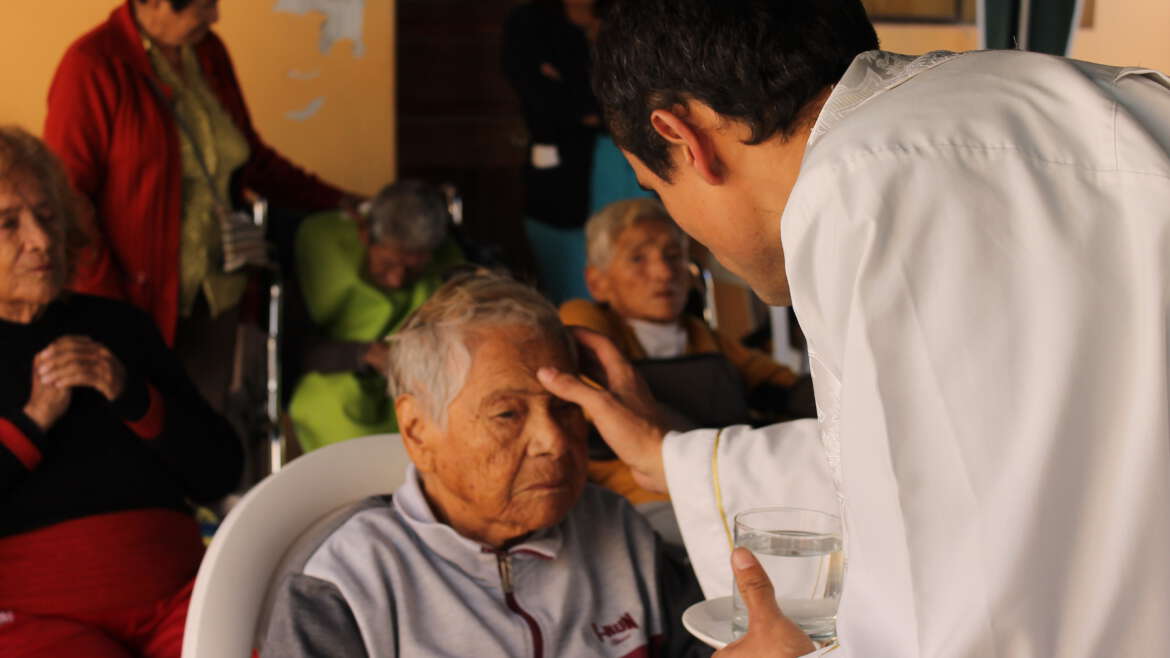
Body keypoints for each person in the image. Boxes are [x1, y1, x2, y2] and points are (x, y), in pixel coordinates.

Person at [535, 0, 1170, 656]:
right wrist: (669, 458)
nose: (685, 241)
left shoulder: (865, 186)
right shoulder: (1033, 99)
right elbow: (987, 443)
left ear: (683, 138)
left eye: (654, 189)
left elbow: (953, 601)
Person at [262, 273, 708, 658]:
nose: (552, 441)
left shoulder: (621, 534)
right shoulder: (345, 582)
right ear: (418, 430)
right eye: (508, 414)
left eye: (566, 406)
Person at [43, 0, 357, 416]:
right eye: (203, 5)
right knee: (138, 435)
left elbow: (250, 158)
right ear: (152, 3)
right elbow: (68, 199)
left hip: (215, 292)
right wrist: (112, 309)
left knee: (200, 433)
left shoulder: (208, 51)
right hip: (136, 301)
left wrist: (340, 201)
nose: (215, 16)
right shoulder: (92, 65)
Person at [0, 127, 243, 657]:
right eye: (8, 224)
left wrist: (132, 395)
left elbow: (220, 471)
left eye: (47, 217)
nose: (40, 240)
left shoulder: (119, 328)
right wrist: (31, 423)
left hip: (181, 602)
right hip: (38, 621)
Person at [560, 198, 815, 508]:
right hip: (646, 499)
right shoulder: (587, 325)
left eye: (673, 255)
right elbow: (605, 402)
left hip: (725, 487)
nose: (663, 272)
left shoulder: (705, 337)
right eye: (638, 258)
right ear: (597, 283)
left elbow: (784, 386)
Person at [288, 180, 463, 453]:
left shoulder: (448, 261)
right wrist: (365, 353)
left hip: (416, 380)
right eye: (387, 264)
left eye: (412, 269)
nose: (396, 280)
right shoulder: (318, 245)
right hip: (333, 374)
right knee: (339, 418)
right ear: (364, 233)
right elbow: (291, 348)